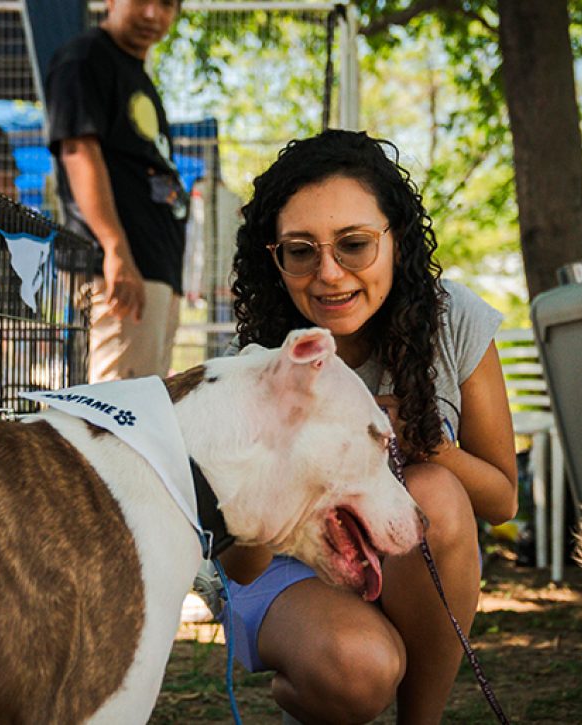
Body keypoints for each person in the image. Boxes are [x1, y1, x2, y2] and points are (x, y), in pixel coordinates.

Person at [214, 129, 517, 724]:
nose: (329, 274)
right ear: (273, 258)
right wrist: (282, 470)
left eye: (354, 244)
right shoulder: (258, 366)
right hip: (293, 569)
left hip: (412, 557)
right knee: (360, 670)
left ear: (395, 240)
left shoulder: (452, 320)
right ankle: (317, 685)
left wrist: (422, 444)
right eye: (300, 250)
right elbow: (239, 565)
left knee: (431, 489)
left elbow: (503, 500)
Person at [44, 0, 187, 382]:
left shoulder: (135, 72)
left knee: (142, 405)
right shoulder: (85, 58)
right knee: (115, 416)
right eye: (142, 0)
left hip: (151, 270)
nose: (153, 14)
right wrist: (115, 249)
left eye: (167, 5)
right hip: (119, 269)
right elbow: (78, 151)